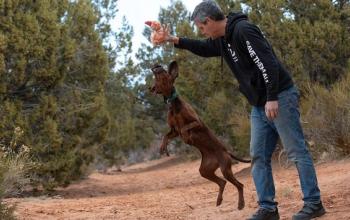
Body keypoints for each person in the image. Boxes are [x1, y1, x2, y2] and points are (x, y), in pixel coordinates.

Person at [151, 1, 326, 220]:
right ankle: (268, 208)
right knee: (258, 156)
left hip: (279, 97)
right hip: (259, 105)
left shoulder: (243, 31)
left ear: (209, 21)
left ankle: (313, 203)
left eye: (201, 27)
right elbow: (204, 48)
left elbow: (268, 63)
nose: (201, 31)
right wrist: (172, 40)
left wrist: (272, 97)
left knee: (296, 151)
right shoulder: (223, 40)